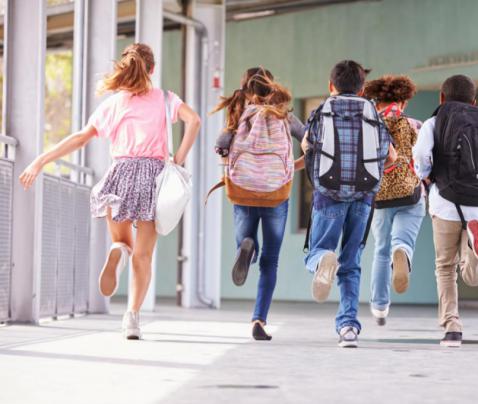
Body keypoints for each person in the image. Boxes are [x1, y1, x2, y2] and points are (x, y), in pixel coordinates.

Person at [19, 43, 201, 340]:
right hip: (153, 178)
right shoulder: (165, 99)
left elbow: (80, 138)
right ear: (152, 69)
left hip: (119, 174)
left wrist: (41, 160)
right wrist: (178, 159)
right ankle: (132, 318)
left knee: (122, 242)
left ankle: (117, 251)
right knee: (143, 257)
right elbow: (194, 121)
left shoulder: (114, 104)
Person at [413, 74, 478, 347]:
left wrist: (425, 175)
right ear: (474, 99)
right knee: (473, 276)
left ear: (441, 98)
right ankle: (476, 252)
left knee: (445, 267)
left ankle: (452, 326)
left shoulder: (434, 122)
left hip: (446, 203)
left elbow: (421, 155)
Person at [301, 60, 394, 348]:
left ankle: (322, 262)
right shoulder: (373, 113)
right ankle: (348, 328)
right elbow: (390, 156)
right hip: (364, 197)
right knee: (351, 262)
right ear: (362, 88)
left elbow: (306, 145)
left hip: (328, 194)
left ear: (332, 86)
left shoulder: (323, 110)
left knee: (317, 250)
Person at [210, 67, 305, 341]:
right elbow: (311, 141)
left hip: (244, 189)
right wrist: (293, 166)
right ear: (272, 88)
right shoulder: (284, 116)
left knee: (245, 239)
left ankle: (246, 248)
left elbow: (221, 147)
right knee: (271, 261)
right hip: (276, 191)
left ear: (246, 89)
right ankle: (259, 319)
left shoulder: (239, 115)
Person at [362, 75, 425, 326]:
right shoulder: (413, 124)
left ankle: (379, 307)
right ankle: (403, 252)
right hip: (409, 193)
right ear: (404, 101)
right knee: (403, 240)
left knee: (380, 250)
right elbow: (424, 160)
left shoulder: (369, 124)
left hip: (379, 196)